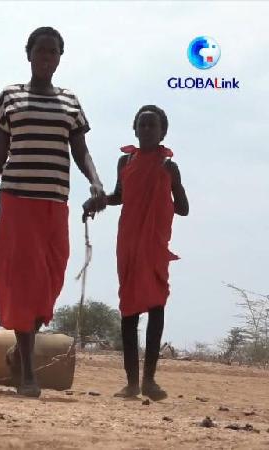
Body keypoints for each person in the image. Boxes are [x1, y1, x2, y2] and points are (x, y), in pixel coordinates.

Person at [0, 27, 106, 397]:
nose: (46, 57)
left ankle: (20, 353)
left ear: (60, 57)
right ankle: (28, 375)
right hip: (18, 200)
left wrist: (96, 182)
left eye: (53, 52)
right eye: (41, 50)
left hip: (55, 202)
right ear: (28, 53)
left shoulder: (70, 101)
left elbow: (81, 150)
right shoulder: (10, 97)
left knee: (49, 280)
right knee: (24, 282)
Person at [85, 105, 188, 400]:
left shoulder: (168, 166)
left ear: (162, 132)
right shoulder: (126, 160)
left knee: (156, 305)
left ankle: (149, 381)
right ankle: (131, 383)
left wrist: (172, 186)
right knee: (129, 308)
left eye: (152, 125)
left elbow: (183, 209)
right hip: (129, 241)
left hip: (154, 244)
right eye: (142, 125)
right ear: (135, 129)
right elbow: (120, 195)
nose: (146, 130)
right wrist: (98, 201)